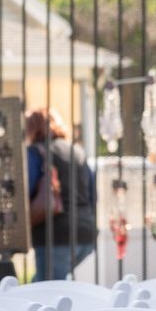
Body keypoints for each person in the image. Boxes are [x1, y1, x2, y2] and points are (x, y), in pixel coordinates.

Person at [22, 107, 97, 281]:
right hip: (85, 234)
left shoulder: (35, 152)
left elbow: (26, 189)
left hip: (54, 236)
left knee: (46, 293)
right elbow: (93, 195)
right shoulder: (77, 151)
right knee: (44, 284)